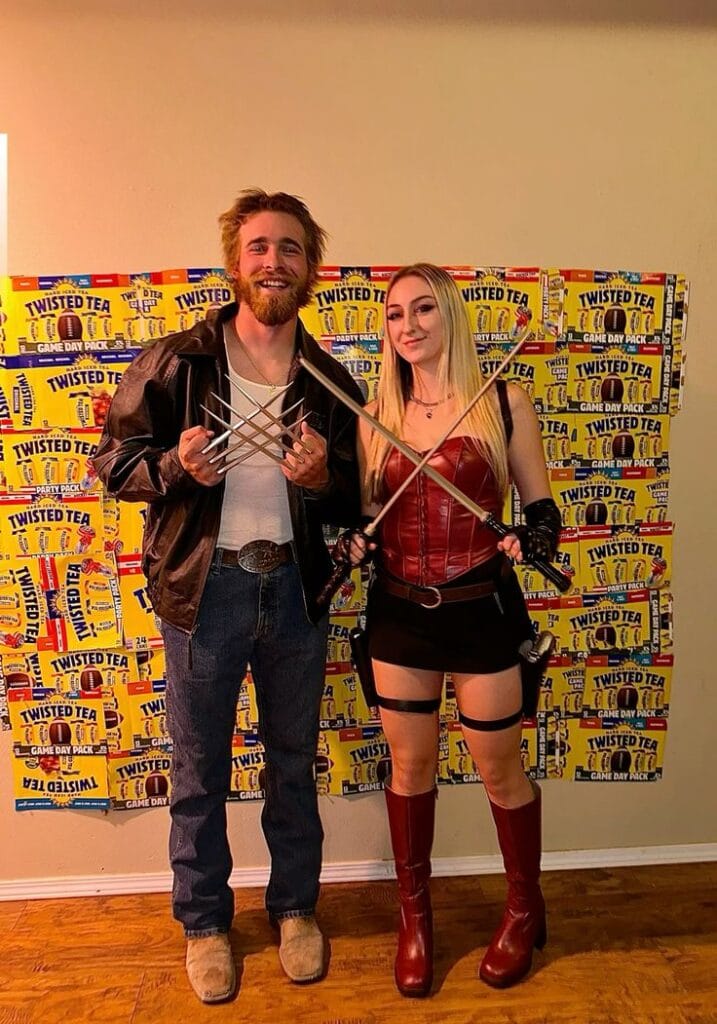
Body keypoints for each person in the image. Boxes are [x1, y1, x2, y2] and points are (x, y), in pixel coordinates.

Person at [93, 189, 363, 1003]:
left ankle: (295, 910)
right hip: (201, 592)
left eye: (289, 248)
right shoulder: (176, 361)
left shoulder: (328, 379)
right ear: (235, 264)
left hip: (296, 593)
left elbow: (355, 499)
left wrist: (321, 481)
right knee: (198, 770)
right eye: (258, 247)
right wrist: (175, 467)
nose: (273, 261)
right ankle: (205, 922)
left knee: (292, 765)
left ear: (309, 268)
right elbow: (111, 463)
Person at [341, 263, 561, 997]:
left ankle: (524, 908)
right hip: (399, 615)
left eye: (424, 309)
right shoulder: (373, 414)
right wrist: (352, 543)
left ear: (451, 315)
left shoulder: (502, 400)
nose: (408, 325)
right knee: (410, 770)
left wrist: (531, 539)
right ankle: (415, 919)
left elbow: (542, 511)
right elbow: (361, 518)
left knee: (500, 769)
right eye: (395, 314)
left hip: (482, 613)